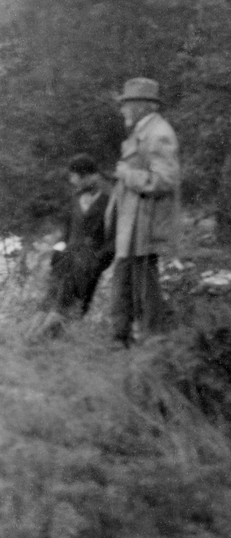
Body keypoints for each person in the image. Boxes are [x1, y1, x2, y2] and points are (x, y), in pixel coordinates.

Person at [107, 77, 180, 346]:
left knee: (143, 282)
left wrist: (128, 175)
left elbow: (165, 180)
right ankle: (121, 338)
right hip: (134, 223)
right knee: (127, 278)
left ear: (143, 106)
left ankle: (151, 339)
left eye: (127, 104)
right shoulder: (142, 131)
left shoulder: (159, 133)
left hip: (145, 223)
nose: (123, 109)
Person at [44, 153, 114, 317]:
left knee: (77, 307)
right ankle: (39, 337)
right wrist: (57, 251)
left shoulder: (110, 200)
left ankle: (66, 336)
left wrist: (98, 260)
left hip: (89, 262)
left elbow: (114, 238)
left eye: (74, 176)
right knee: (50, 301)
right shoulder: (75, 198)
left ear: (86, 176)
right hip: (66, 259)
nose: (71, 181)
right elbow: (66, 231)